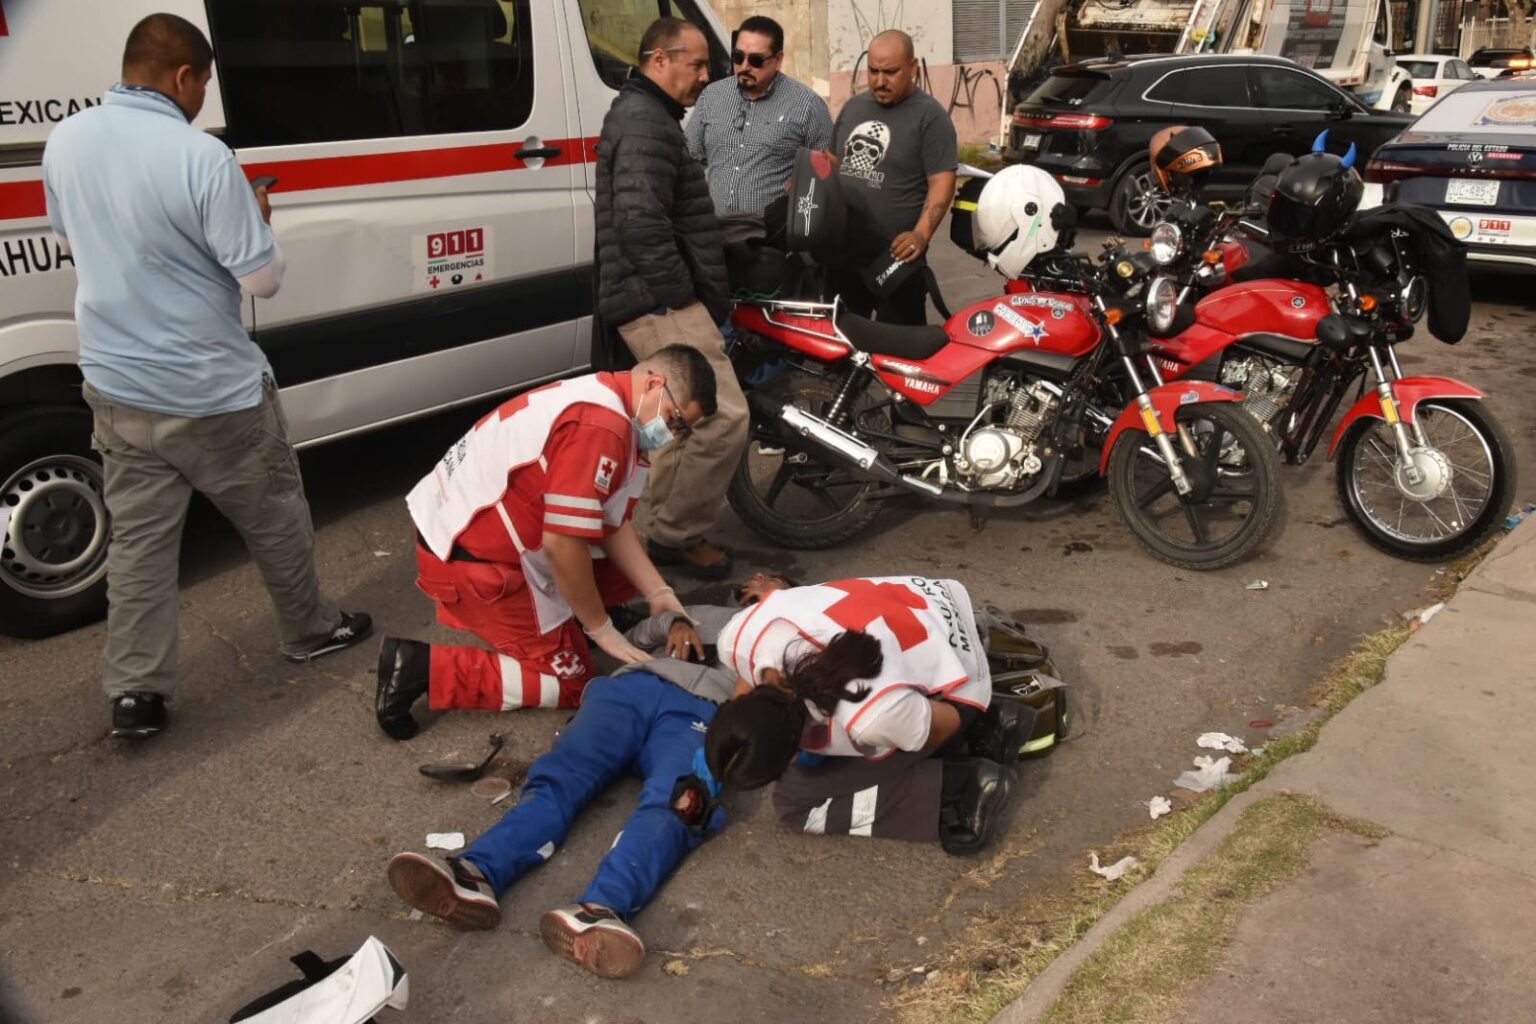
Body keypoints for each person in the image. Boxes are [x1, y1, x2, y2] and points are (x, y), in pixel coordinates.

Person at [41, 13, 370, 740]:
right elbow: (263, 280)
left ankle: (136, 695)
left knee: (140, 549)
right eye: (203, 84)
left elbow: (72, 239)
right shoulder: (203, 159)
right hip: (212, 391)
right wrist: (255, 216)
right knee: (275, 516)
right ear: (183, 77)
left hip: (118, 384)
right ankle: (311, 630)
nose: (202, 99)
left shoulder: (65, 140)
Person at [385, 583, 765, 979]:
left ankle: (600, 909)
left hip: (707, 714)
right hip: (632, 689)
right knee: (559, 778)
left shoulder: (789, 640)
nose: (758, 583)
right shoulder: (702, 612)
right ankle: (474, 873)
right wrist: (674, 622)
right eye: (753, 583)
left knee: (682, 804)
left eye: (772, 582)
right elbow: (632, 635)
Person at [374, 346, 717, 740]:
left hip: (465, 532)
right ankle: (420, 668)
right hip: (471, 562)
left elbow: (612, 523)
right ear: (655, 383)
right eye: (674, 420)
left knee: (609, 565)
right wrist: (600, 629)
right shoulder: (603, 426)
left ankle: (579, 616)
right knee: (574, 682)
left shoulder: (609, 400)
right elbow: (563, 544)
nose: (670, 435)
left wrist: (659, 593)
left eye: (680, 429)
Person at [705, 576, 1017, 853]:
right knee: (863, 734)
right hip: (931, 595)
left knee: (795, 801)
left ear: (789, 759)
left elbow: (945, 724)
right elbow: (748, 668)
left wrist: (936, 731)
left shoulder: (869, 716)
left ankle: (961, 785)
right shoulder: (735, 635)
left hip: (961, 674)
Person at [596, 16, 748, 581]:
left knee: (677, 426)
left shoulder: (648, 116)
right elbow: (640, 223)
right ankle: (674, 536)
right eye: (698, 63)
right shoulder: (644, 123)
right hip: (658, 303)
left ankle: (663, 532)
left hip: (652, 297)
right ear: (658, 59)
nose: (707, 76)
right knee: (723, 416)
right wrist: (681, 296)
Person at [829, 30, 958, 325]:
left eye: (890, 72)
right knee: (841, 349)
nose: (879, 81)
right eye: (873, 71)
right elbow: (835, 162)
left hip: (897, 260)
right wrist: (809, 178)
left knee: (898, 354)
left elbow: (942, 182)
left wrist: (921, 235)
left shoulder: (931, 118)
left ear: (912, 67)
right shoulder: (854, 107)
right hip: (844, 256)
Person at [685, 16, 834, 218]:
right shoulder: (711, 96)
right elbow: (689, 160)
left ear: (778, 60)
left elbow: (827, 172)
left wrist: (802, 186)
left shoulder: (807, 106)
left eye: (755, 60)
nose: (744, 66)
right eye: (738, 57)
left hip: (770, 238)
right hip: (714, 233)